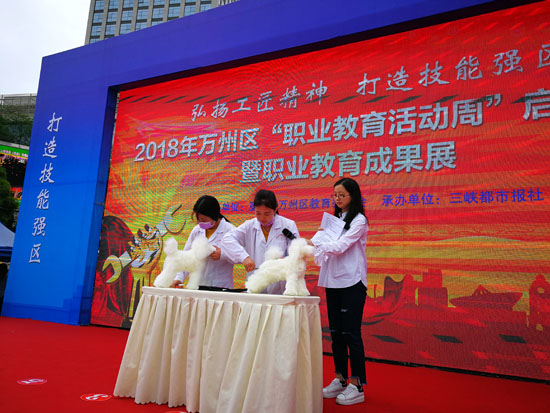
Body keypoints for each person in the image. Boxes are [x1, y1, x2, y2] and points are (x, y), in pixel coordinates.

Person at [310, 178, 368, 406]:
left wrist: (318, 244)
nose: (337, 199)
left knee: (351, 334)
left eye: (342, 195)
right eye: (335, 195)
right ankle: (341, 378)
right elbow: (323, 249)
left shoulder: (359, 220)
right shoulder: (334, 220)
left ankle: (357, 384)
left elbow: (341, 246)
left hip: (352, 281)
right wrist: (315, 240)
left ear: (353, 196)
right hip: (332, 282)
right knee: (336, 334)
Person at [221, 189, 299, 295]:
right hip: (255, 285)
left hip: (280, 287)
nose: (262, 218)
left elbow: (296, 255)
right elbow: (227, 239)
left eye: (267, 214)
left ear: (275, 209)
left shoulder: (288, 225)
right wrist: (244, 257)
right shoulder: (249, 226)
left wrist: (282, 263)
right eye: (258, 213)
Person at [171, 195, 236, 289]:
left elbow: (242, 256)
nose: (200, 223)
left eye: (203, 220)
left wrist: (223, 254)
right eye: (198, 220)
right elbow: (186, 256)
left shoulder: (230, 230)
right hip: (197, 284)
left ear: (214, 216)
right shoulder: (197, 230)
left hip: (220, 286)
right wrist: (179, 278)